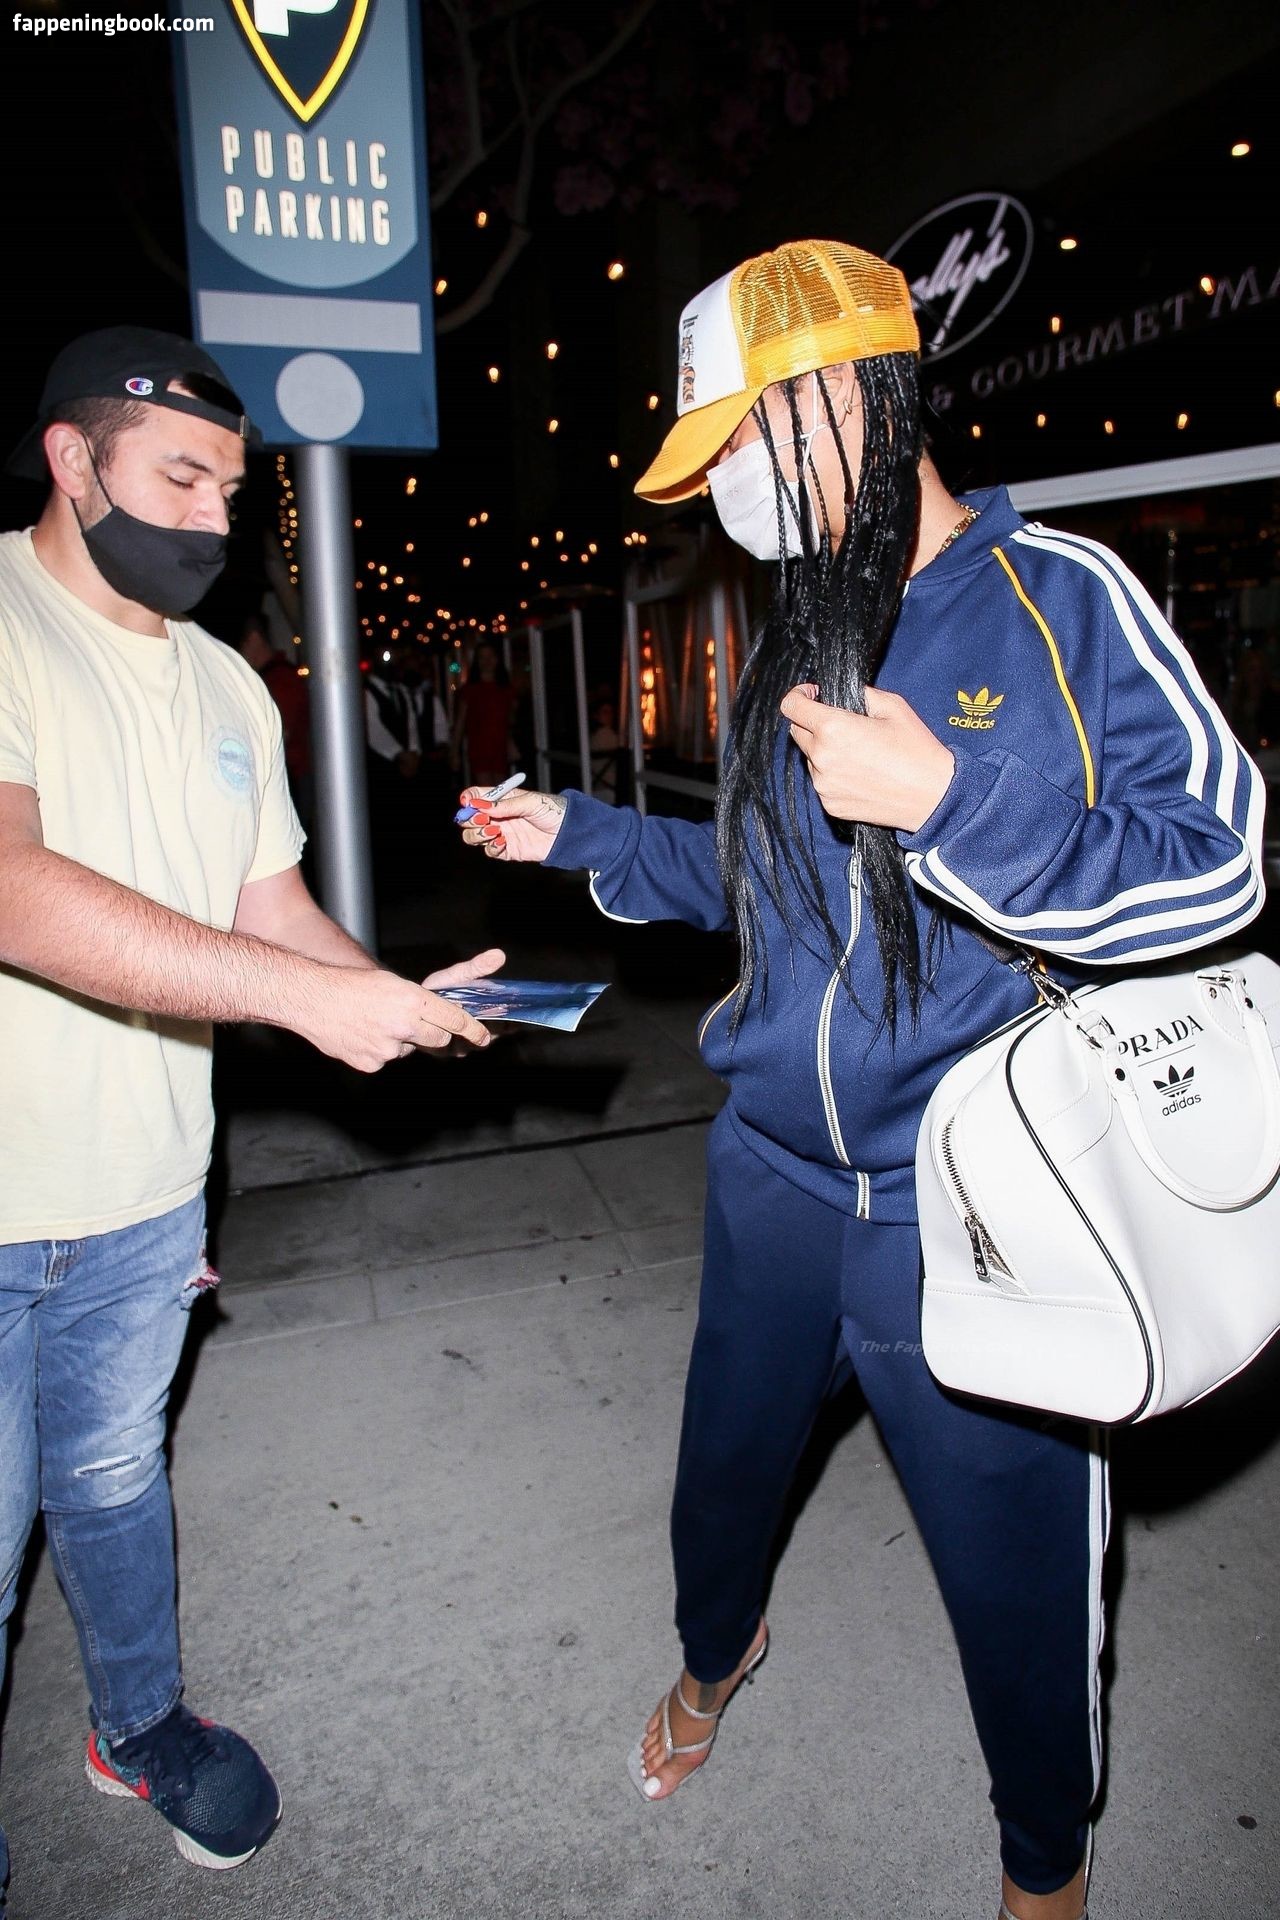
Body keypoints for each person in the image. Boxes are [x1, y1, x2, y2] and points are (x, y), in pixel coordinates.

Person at [459, 242, 1264, 1920]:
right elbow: (755, 883)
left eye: (741, 441)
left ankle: (1043, 1863)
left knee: (1016, 1576)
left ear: (842, 398)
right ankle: (717, 1652)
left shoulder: (1065, 599)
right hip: (768, 1176)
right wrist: (582, 835)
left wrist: (950, 801)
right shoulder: (805, 622)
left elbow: (1220, 864)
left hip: (975, 1207)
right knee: (719, 1487)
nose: (725, 490)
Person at [0, 326, 500, 1900]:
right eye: (181, 479)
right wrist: (299, 999)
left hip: (149, 1195)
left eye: (233, 490)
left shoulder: (225, 680)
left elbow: (268, 910)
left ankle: (138, 1726)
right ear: (73, 460)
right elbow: (11, 886)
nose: (216, 521)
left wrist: (384, 993)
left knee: (113, 1484)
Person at [235, 608, 313, 825]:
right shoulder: (274, 679)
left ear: (254, 639)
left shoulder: (279, 681)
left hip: (293, 783)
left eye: (240, 645)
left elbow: (279, 736)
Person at [450, 640, 517, 789]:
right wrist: (454, 752)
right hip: (479, 747)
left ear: (497, 659)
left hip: (500, 746)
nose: (487, 661)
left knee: (501, 791)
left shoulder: (506, 688)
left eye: (490, 656)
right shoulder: (469, 689)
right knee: (487, 791)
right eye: (482, 657)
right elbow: (460, 721)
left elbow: (510, 719)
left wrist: (511, 742)